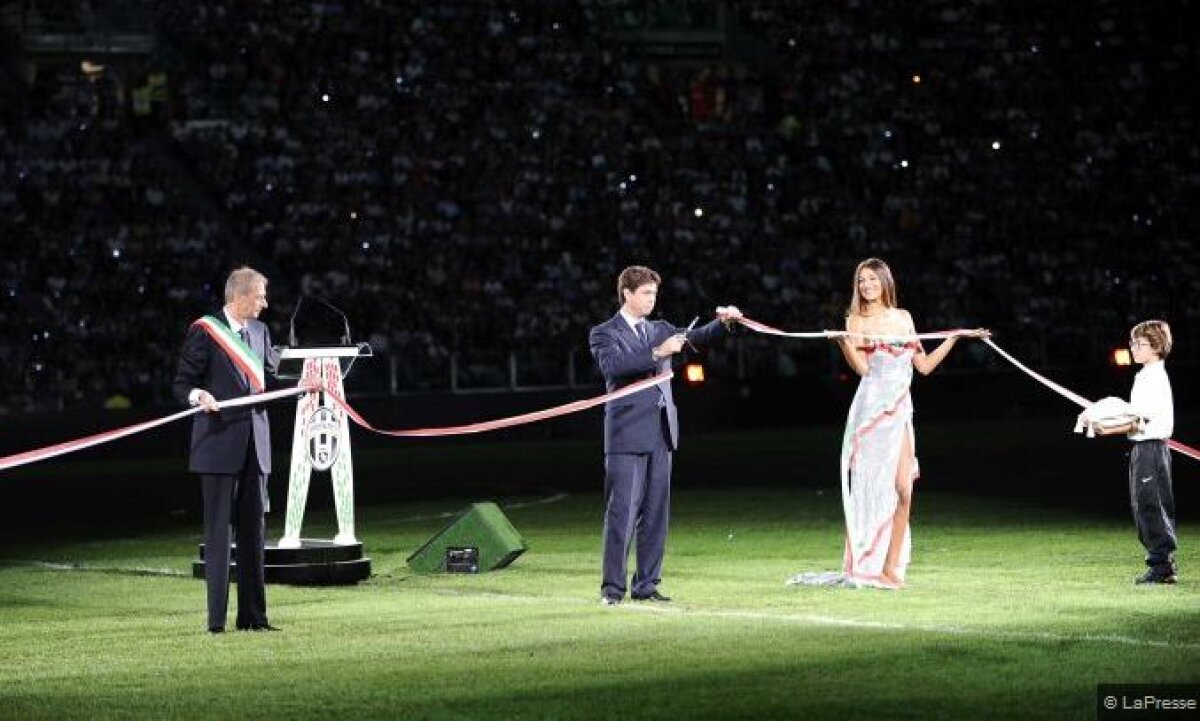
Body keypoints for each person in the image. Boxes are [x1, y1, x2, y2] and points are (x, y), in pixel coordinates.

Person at [589, 265, 741, 605]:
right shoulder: (604, 333)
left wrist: (724, 322)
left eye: (654, 294)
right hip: (627, 435)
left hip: (661, 432)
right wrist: (658, 353)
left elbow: (697, 337)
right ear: (627, 293)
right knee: (621, 516)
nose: (651, 299)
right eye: (645, 293)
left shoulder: (659, 328)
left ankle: (646, 585)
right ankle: (612, 590)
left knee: (656, 515)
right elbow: (613, 367)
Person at [830, 258, 986, 589]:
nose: (866, 286)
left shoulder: (903, 317)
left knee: (904, 489)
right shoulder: (855, 320)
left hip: (900, 412)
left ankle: (891, 569)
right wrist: (844, 341)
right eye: (861, 281)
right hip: (872, 414)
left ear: (885, 281)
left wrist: (954, 337)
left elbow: (924, 366)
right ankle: (865, 564)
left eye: (871, 279)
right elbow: (862, 369)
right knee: (871, 489)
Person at [172, 267, 282, 633]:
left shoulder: (262, 332)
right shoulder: (205, 332)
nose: (266, 303)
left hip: (256, 447)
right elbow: (181, 383)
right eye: (261, 296)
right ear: (240, 297)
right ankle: (216, 622)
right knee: (219, 535)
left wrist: (314, 374)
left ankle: (254, 619)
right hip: (218, 446)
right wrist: (198, 395)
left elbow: (273, 376)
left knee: (254, 535)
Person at [1090, 320, 1177, 584]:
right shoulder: (1145, 375)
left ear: (1156, 346)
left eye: (1139, 344)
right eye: (1133, 343)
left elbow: (1142, 422)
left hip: (1150, 448)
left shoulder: (1153, 377)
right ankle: (1160, 564)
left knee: (1150, 505)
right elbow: (1137, 417)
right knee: (1146, 504)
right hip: (1146, 448)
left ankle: (1162, 567)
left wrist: (1107, 429)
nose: (1133, 348)